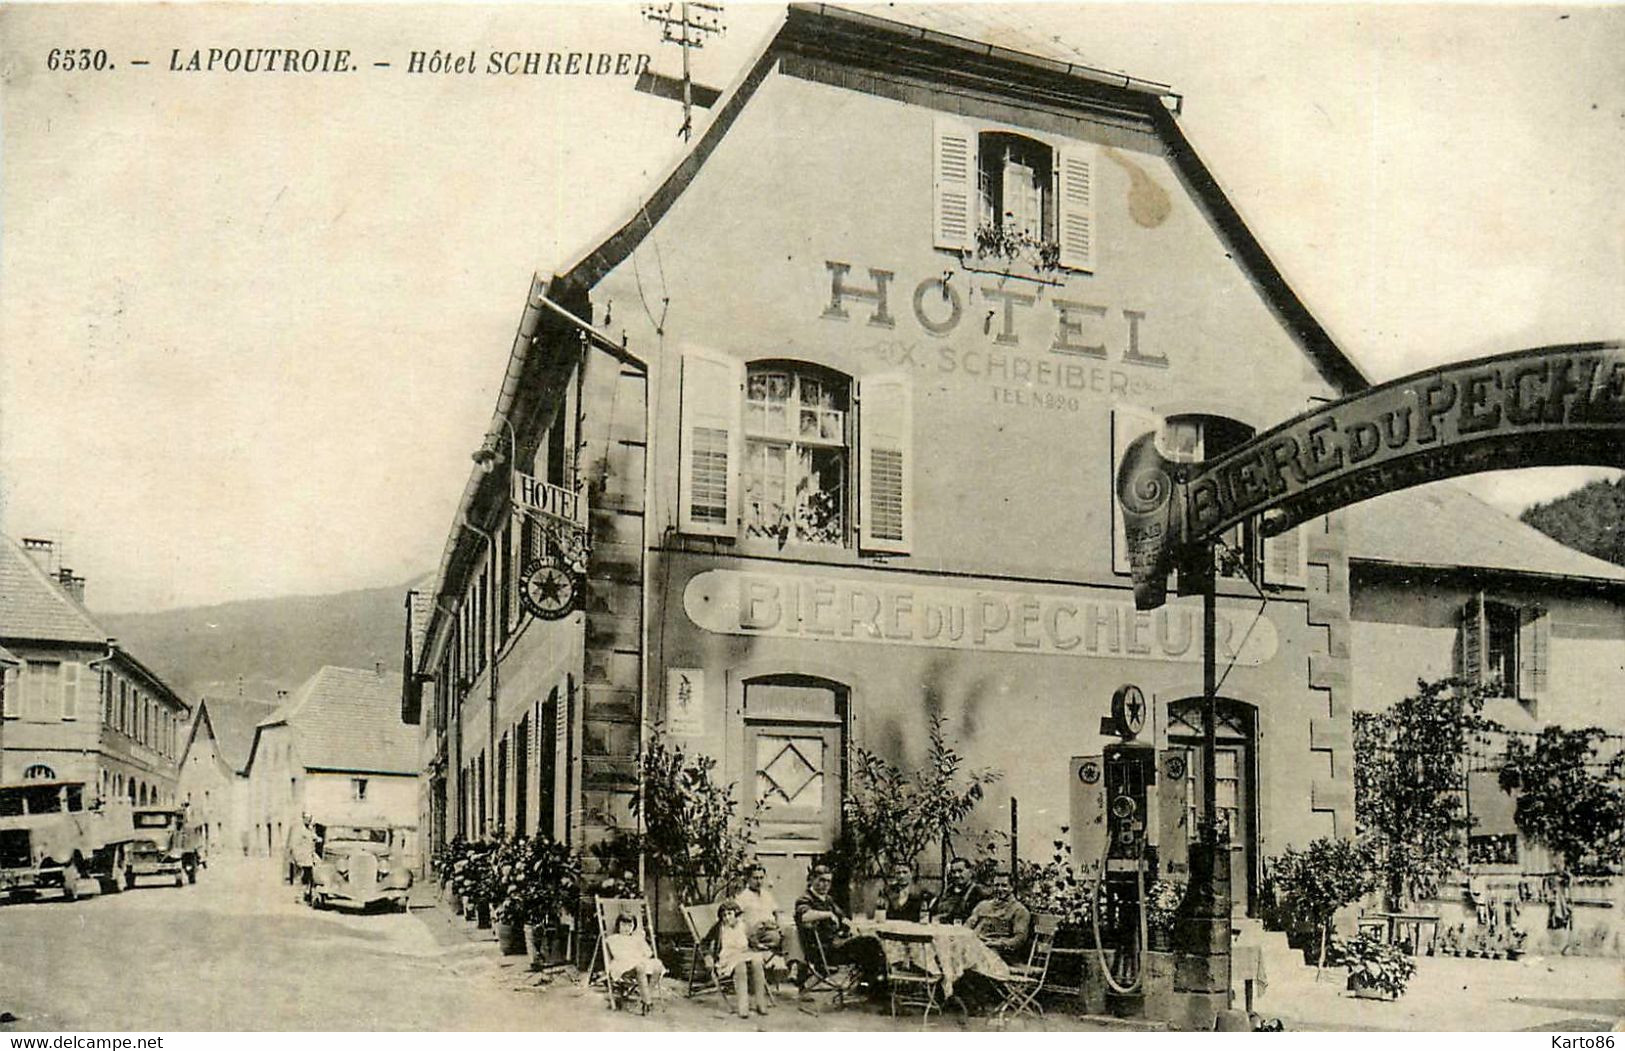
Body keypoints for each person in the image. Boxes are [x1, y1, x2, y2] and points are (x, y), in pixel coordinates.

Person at [794, 864, 883, 990]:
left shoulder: (828, 899)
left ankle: (871, 984)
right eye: (822, 880)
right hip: (822, 951)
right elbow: (804, 916)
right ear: (812, 879)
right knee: (871, 943)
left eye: (828, 881)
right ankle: (873, 986)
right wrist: (827, 914)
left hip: (836, 944)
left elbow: (842, 917)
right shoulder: (805, 898)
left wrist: (851, 926)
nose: (825, 885)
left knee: (872, 943)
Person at [715, 899, 772, 1019]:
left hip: (744, 953)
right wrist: (707, 956)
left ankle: (760, 1003)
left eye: (729, 914)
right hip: (728, 958)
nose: (726, 918)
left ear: (736, 914)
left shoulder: (743, 926)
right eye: (724, 915)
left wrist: (757, 945)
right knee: (740, 966)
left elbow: (751, 940)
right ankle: (743, 1007)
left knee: (757, 962)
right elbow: (705, 943)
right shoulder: (720, 928)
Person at [734, 863, 789, 981]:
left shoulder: (766, 894)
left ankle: (793, 966)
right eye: (755, 878)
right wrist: (760, 925)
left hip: (772, 930)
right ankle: (786, 963)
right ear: (748, 879)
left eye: (761, 878)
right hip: (757, 933)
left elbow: (776, 913)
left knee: (791, 932)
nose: (759, 881)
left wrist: (780, 925)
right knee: (785, 939)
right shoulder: (742, 898)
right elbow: (739, 921)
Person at [604, 911, 667, 1015]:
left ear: (634, 926)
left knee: (658, 965)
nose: (626, 928)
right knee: (640, 967)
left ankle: (646, 998)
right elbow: (618, 955)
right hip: (623, 966)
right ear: (618, 925)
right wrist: (637, 958)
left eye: (630, 925)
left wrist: (642, 941)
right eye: (623, 925)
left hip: (639, 963)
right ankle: (647, 1002)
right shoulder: (614, 938)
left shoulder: (636, 938)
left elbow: (648, 953)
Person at [966, 871, 1031, 963]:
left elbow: (1019, 939)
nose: (999, 889)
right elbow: (968, 925)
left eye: (1004, 885)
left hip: (1000, 952)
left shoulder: (1019, 910)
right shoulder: (983, 905)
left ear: (1012, 887)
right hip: (976, 944)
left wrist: (998, 943)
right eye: (996, 885)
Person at [935, 856, 986, 925]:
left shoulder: (977, 892)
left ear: (970, 871)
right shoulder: (948, 891)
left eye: (960, 871)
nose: (956, 875)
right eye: (953, 872)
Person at [286, 812, 318, 899]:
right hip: (301, 858)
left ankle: (306, 894)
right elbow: (294, 845)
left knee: (308, 877)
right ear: (303, 819)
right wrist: (296, 858)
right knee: (300, 877)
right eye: (307, 818)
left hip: (309, 858)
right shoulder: (299, 830)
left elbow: (314, 838)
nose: (308, 820)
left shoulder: (309, 829)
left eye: (310, 819)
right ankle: (298, 895)